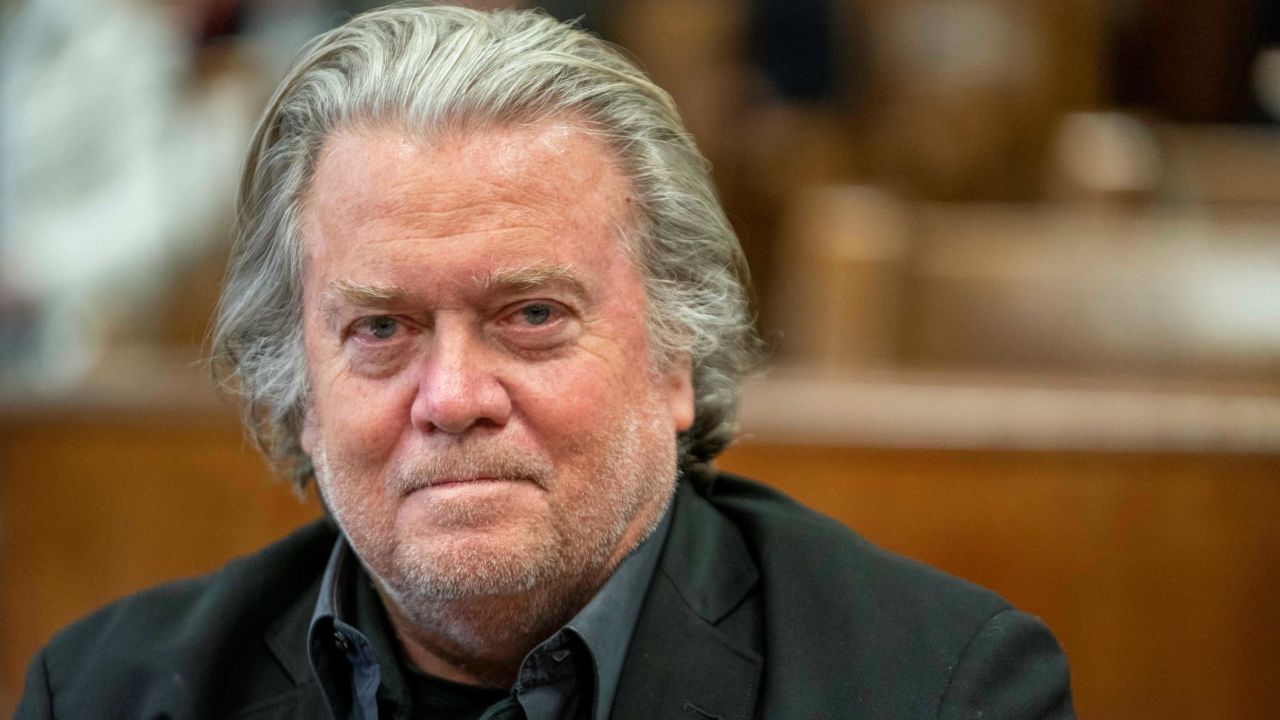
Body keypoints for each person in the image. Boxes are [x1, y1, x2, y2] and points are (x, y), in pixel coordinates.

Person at [16, 5, 1074, 719]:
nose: (453, 398)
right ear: (299, 393)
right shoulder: (107, 692)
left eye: (529, 313)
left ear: (675, 357)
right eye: (379, 330)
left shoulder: (936, 689)